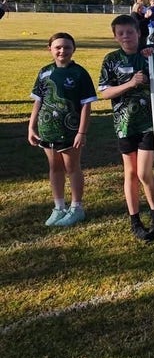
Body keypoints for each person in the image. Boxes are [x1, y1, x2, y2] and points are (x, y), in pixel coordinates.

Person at [99, 15, 154, 241]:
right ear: (115, 36)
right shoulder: (111, 60)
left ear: (139, 33)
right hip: (124, 124)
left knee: (145, 173)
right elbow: (105, 92)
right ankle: (135, 220)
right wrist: (131, 83)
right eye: (121, 33)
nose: (126, 36)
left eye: (130, 32)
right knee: (131, 173)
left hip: (148, 123)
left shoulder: (150, 56)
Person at [28, 32, 97, 226]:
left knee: (72, 167)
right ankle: (59, 207)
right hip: (47, 129)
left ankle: (77, 208)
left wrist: (81, 132)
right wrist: (31, 126)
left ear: (73, 49)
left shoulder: (79, 73)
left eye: (67, 47)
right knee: (55, 167)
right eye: (57, 47)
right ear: (49, 49)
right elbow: (38, 102)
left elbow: (86, 105)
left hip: (71, 131)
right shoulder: (44, 72)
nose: (62, 51)